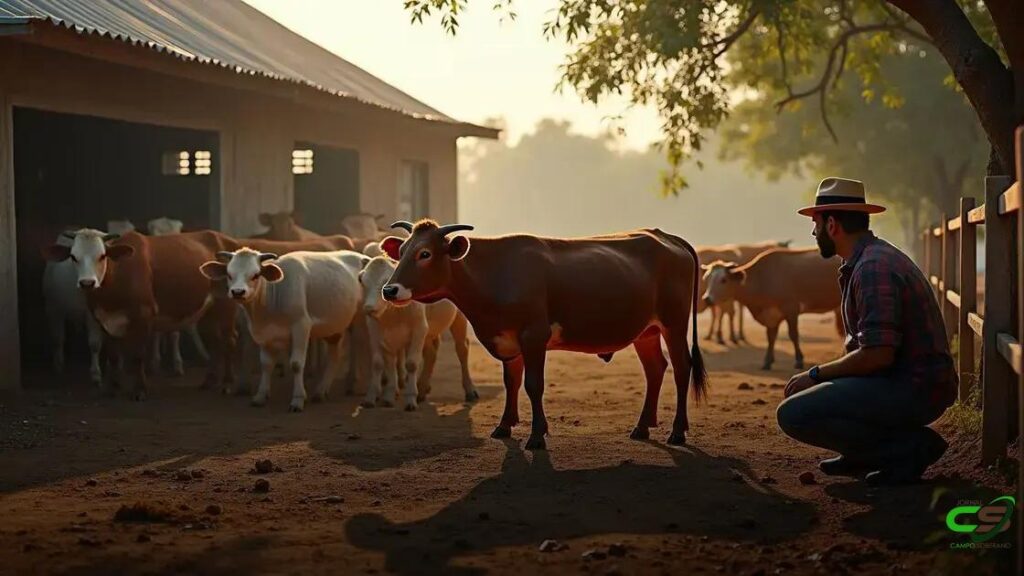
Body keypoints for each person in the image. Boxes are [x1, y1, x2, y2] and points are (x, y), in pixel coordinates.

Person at [776, 177, 957, 485]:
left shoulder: (872, 268)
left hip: (914, 387)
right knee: (815, 394)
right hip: (906, 380)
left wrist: (817, 374)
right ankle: (869, 454)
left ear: (832, 224)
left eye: (816, 223)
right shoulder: (867, 260)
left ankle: (905, 448)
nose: (813, 231)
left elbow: (878, 354)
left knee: (793, 414)